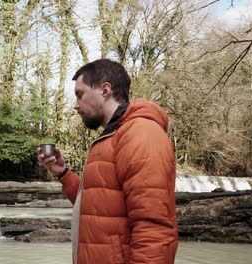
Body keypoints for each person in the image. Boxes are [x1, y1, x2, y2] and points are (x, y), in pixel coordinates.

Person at [37, 59, 178, 264]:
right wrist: (63, 173)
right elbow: (101, 203)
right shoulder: (111, 136)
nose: (76, 106)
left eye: (80, 94)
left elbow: (155, 230)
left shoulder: (141, 134)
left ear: (105, 90)